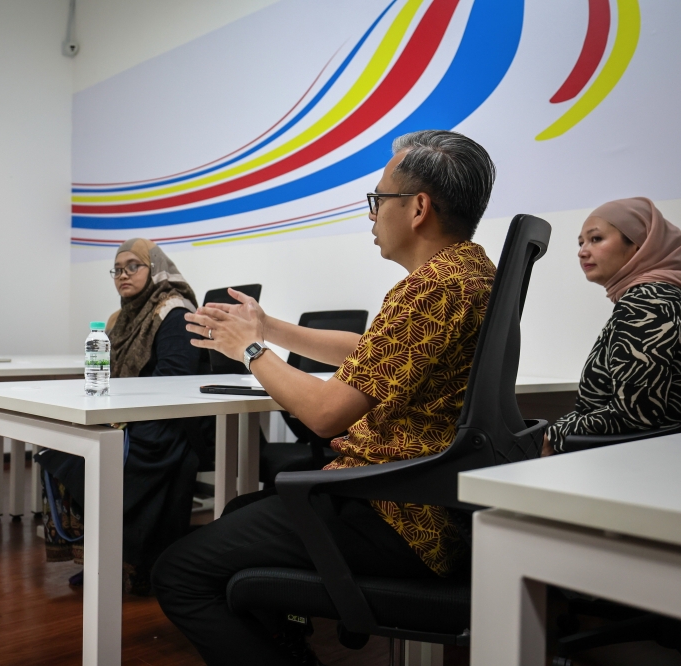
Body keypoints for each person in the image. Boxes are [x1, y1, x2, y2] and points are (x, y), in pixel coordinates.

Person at [151, 130, 498, 666]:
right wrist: (269, 326)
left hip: (399, 512)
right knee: (245, 508)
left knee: (178, 572)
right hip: (425, 500)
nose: (372, 215)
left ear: (418, 208)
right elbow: (374, 350)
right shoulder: (468, 272)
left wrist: (251, 350)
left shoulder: (436, 287)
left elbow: (324, 414)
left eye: (378, 200)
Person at [37, 238, 204, 595]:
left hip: (168, 425)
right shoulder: (124, 315)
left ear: (154, 267)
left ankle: (129, 561)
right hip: (134, 415)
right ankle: (99, 557)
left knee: (88, 457)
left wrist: (121, 410)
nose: (122, 275)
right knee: (61, 445)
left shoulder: (174, 312)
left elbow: (176, 380)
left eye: (133, 266)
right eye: (117, 269)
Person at [542, 198, 681, 455]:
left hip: (638, 463)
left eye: (596, 239)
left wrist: (553, 436)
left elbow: (634, 415)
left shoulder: (648, 303)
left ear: (638, 245)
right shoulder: (663, 296)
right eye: (580, 243)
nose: (582, 251)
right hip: (649, 456)